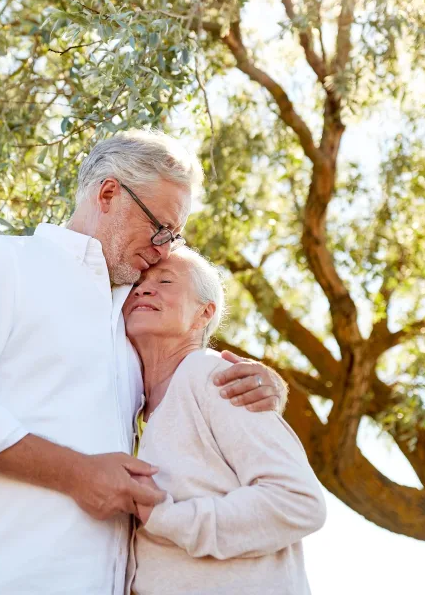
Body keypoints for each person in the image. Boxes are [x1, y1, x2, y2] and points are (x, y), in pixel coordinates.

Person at [0, 130, 287, 594]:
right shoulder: (9, 263)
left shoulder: (132, 321)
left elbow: (183, 398)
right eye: (160, 227)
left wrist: (266, 388)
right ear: (108, 194)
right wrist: (77, 474)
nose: (164, 249)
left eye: (174, 236)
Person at [124, 247, 326, 595]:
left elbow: (298, 501)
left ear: (204, 314)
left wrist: (167, 519)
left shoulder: (213, 377)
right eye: (137, 283)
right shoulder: (131, 411)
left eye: (165, 280)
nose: (143, 289)